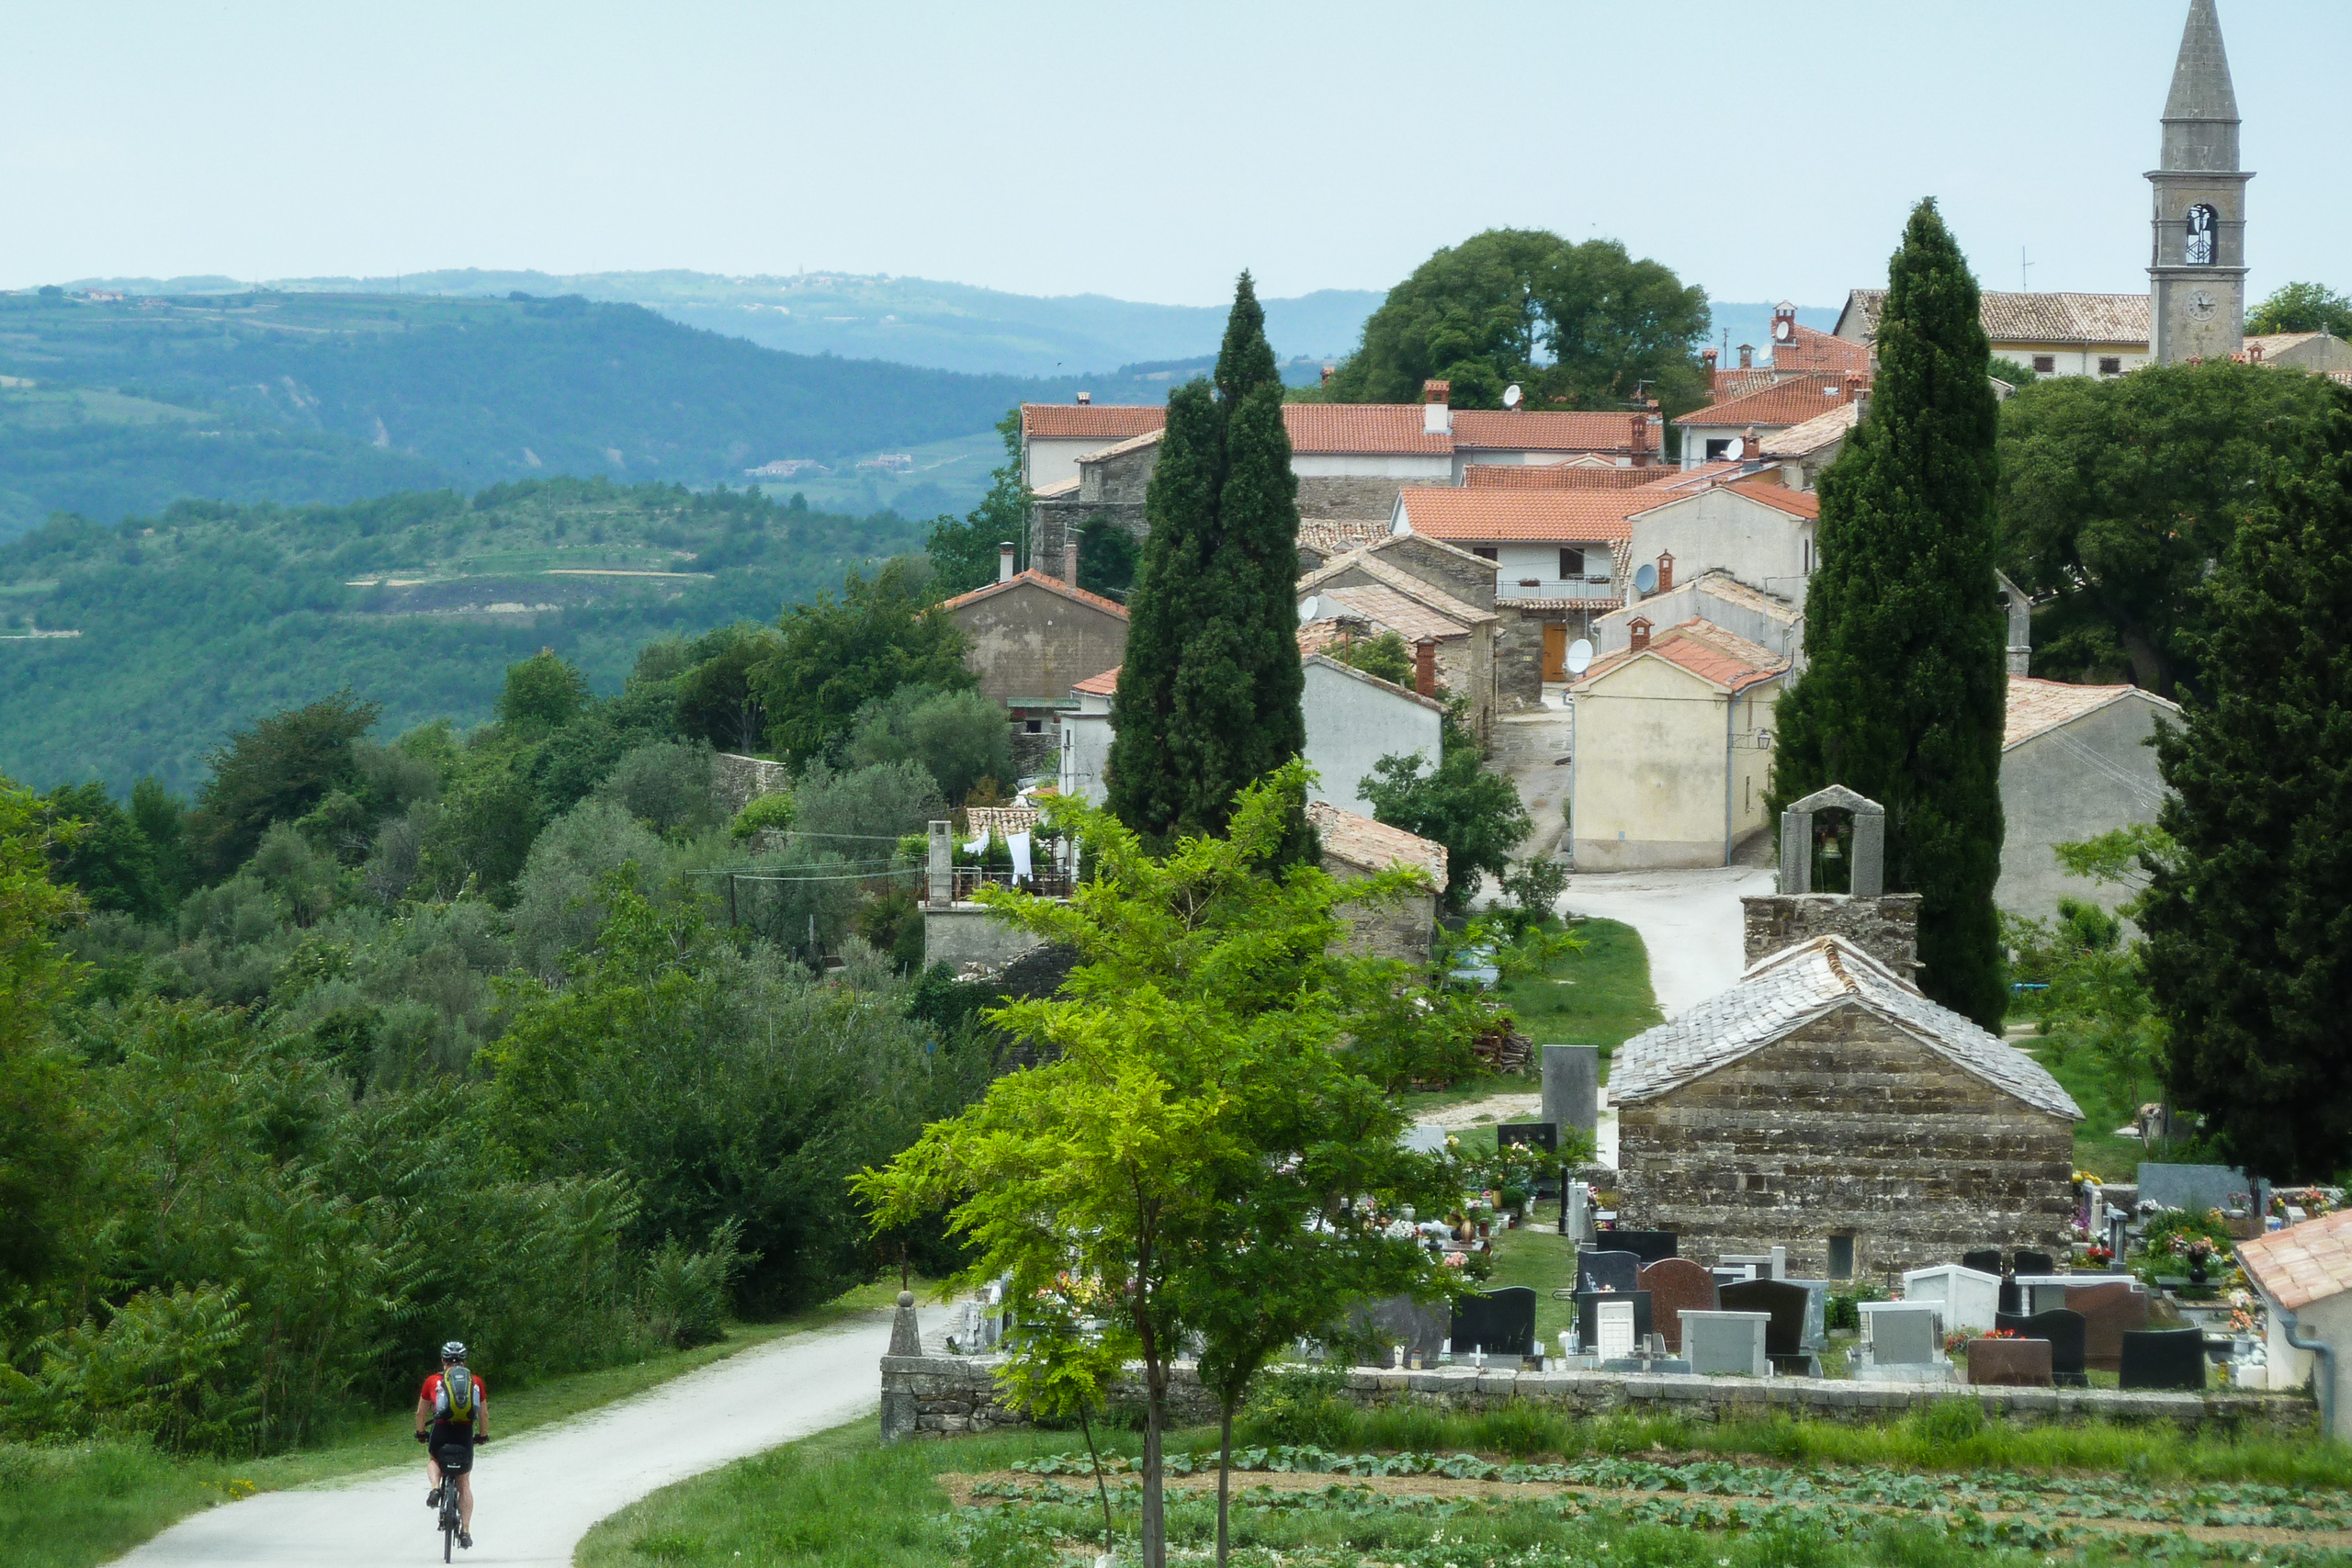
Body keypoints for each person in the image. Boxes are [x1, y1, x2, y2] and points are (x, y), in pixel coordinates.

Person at [416, 1340, 491, 1550]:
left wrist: (421, 1432)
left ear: (443, 1360)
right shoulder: (475, 1382)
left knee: (434, 1459)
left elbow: (421, 1412)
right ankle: (465, 1531)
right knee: (464, 1482)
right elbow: (483, 1413)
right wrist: (482, 1435)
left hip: (441, 1430)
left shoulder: (432, 1381)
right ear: (464, 1361)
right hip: (464, 1432)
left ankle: (434, 1488)